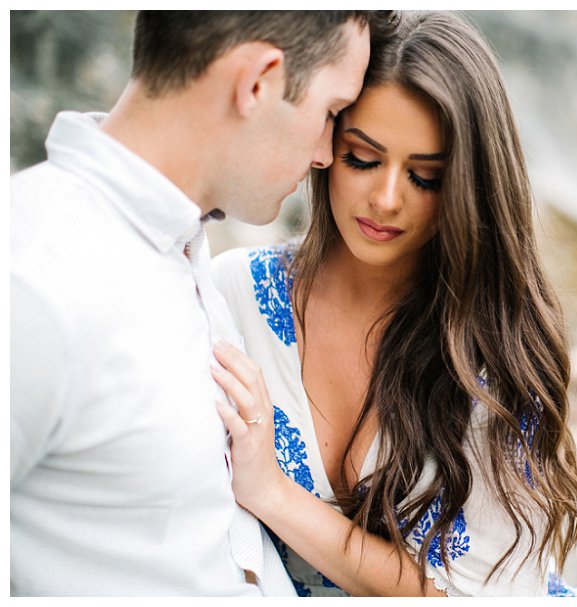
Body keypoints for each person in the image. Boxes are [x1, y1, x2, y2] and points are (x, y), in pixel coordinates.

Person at [10, 10, 397, 596]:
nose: (325, 152)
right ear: (259, 83)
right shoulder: (35, 276)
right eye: (331, 113)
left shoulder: (178, 251)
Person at [210, 11, 577, 597]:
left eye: (426, 177)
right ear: (324, 142)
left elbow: (469, 595)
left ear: (469, 186)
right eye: (363, 158)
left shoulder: (494, 352)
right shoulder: (233, 296)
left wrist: (272, 493)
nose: (386, 199)